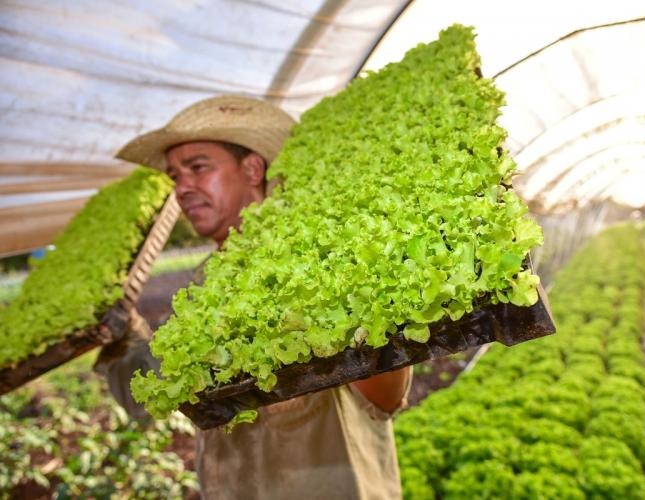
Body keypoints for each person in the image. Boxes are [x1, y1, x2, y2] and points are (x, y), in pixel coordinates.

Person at [97, 95, 412, 499]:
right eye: (175, 177)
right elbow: (145, 398)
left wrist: (363, 301)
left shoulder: (317, 261)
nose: (183, 189)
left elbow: (383, 399)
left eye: (197, 168)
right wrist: (126, 329)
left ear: (252, 168)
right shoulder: (202, 293)